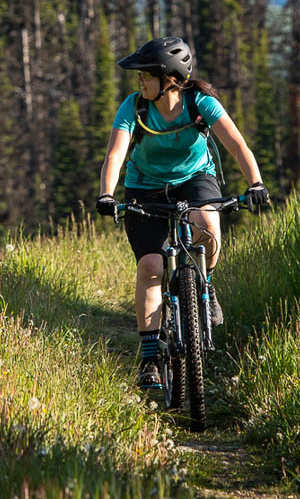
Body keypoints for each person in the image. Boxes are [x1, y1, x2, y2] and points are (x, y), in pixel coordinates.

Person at [95, 36, 269, 388]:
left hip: (195, 178)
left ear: (169, 79)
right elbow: (115, 154)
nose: (140, 81)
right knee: (151, 266)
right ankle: (148, 359)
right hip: (145, 185)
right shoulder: (134, 107)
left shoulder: (200, 102)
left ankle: (206, 283)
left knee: (207, 228)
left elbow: (237, 145)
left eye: (146, 75)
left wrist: (256, 183)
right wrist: (106, 194)